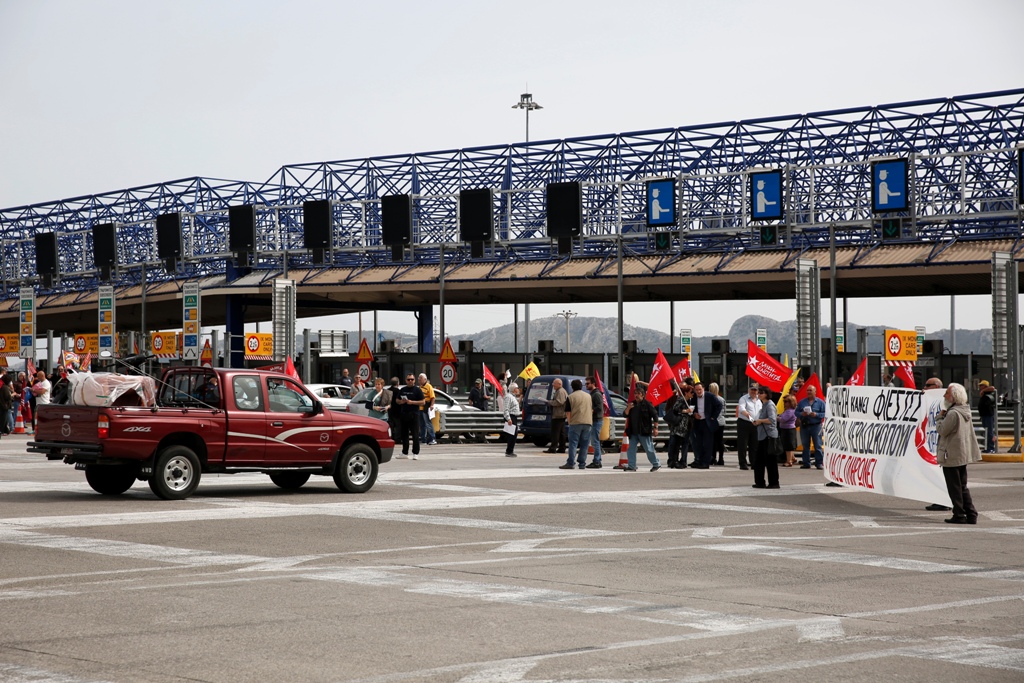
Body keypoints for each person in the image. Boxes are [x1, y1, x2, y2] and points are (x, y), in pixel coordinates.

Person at [935, 383, 981, 524]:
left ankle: (959, 515)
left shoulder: (953, 413)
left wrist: (939, 418)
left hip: (952, 455)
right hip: (961, 454)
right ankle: (971, 513)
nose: (944, 395)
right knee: (962, 486)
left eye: (947, 393)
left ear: (954, 397)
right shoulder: (965, 410)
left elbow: (942, 430)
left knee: (954, 487)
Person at [622, 384, 660, 472]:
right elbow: (625, 415)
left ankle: (656, 464)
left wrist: (655, 428)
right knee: (631, 449)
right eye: (635, 393)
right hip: (633, 432)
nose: (636, 395)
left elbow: (655, 416)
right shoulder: (632, 404)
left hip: (644, 431)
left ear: (643, 395)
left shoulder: (647, 404)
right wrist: (628, 408)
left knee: (649, 449)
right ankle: (632, 466)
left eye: (638, 393)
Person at [560, 379, 593, 470]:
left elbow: (568, 412)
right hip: (588, 422)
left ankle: (571, 463)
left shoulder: (570, 397)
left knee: (573, 444)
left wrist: (570, 423)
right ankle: (582, 463)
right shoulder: (588, 396)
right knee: (584, 444)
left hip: (576, 422)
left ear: (572, 387)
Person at [751, 387, 780, 489]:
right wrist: (757, 421)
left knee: (770, 461)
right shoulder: (764, 405)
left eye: (761, 393)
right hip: (762, 436)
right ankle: (760, 482)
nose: (759, 394)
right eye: (759, 393)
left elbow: (772, 420)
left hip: (769, 436)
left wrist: (760, 421)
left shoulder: (770, 405)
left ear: (767, 394)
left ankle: (774, 483)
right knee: (759, 461)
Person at [689, 381, 721, 469]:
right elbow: (692, 407)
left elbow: (719, 405)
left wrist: (713, 417)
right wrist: (694, 414)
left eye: (700, 389)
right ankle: (700, 460)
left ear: (703, 389)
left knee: (707, 443)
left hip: (707, 422)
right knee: (699, 443)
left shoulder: (710, 396)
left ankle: (706, 463)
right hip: (698, 422)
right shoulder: (694, 397)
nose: (698, 391)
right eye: (696, 390)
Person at [395, 374, 425, 459]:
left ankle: (415, 453)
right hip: (404, 414)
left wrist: (412, 402)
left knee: (415, 434)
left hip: (414, 414)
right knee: (404, 434)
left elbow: (423, 402)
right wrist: (402, 401)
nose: (410, 381)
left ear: (414, 380)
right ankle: (405, 452)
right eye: (408, 379)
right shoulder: (403, 389)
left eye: (412, 379)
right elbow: (397, 400)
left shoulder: (417, 390)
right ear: (406, 380)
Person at [797, 385, 826, 470]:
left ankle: (819, 463)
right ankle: (806, 463)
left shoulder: (820, 402)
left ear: (815, 392)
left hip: (816, 426)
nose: (809, 392)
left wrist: (816, 414)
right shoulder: (802, 402)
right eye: (807, 390)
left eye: (810, 390)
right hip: (805, 426)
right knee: (805, 446)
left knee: (818, 446)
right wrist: (801, 414)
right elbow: (796, 412)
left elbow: (826, 413)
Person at [664, 389, 693, 469]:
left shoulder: (691, 400)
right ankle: (673, 460)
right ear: (686, 393)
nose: (693, 394)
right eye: (691, 392)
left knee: (683, 444)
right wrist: (685, 411)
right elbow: (675, 409)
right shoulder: (681, 399)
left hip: (686, 425)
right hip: (678, 425)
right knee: (675, 444)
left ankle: (682, 461)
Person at [735, 384, 761, 470]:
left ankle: (754, 462)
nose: (753, 391)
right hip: (744, 423)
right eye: (752, 389)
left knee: (754, 444)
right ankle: (742, 463)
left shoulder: (759, 400)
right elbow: (742, 409)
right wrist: (750, 418)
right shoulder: (744, 398)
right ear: (749, 390)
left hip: (756, 424)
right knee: (743, 444)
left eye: (755, 390)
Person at [543, 378, 568, 454]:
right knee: (561, 433)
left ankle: (553, 448)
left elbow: (559, 402)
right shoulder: (561, 391)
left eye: (554, 383)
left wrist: (549, 402)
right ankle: (562, 448)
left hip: (558, 415)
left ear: (559, 384)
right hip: (560, 414)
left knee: (555, 432)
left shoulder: (560, 391)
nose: (553, 385)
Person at [584, 376, 604, 468]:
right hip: (593, 420)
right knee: (594, 441)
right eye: (586, 384)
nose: (586, 385)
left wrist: (591, 410)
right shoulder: (593, 393)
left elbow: (600, 407)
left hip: (596, 420)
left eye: (588, 383)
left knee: (595, 441)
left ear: (593, 384)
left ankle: (597, 461)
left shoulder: (596, 394)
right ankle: (597, 460)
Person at [708, 382, 727, 466]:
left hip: (713, 422)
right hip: (721, 422)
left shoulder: (709, 399)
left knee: (712, 441)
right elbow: (724, 411)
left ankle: (713, 458)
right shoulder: (722, 399)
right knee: (719, 441)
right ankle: (721, 458)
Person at [977, 380, 998, 454]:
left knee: (990, 432)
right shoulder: (984, 394)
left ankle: (991, 448)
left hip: (988, 416)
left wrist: (983, 391)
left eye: (981, 385)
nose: (980, 387)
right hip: (984, 415)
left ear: (985, 386)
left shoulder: (989, 392)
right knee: (986, 432)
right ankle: (987, 447)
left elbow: (992, 387)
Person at [778, 395, 798, 467]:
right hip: (787, 429)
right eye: (784, 401)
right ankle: (792, 458)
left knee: (788, 446)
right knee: (789, 445)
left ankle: (789, 461)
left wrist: (776, 417)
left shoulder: (790, 411)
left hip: (788, 429)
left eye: (786, 401)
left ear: (791, 402)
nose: (784, 403)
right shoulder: (787, 410)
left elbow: (783, 419)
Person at [502, 383, 521, 457]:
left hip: (514, 417)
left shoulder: (513, 397)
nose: (518, 389)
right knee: (511, 435)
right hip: (511, 417)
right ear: (513, 389)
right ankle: (509, 451)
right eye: (517, 388)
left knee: (514, 435)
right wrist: (508, 419)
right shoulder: (508, 397)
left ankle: (510, 450)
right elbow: (506, 409)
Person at [418, 373, 437, 445]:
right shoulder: (419, 387)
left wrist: (431, 405)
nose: (419, 380)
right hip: (419, 408)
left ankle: (432, 438)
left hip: (426, 407)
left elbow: (433, 397)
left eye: (421, 379)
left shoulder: (429, 386)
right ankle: (423, 439)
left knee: (428, 424)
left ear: (425, 379)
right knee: (422, 425)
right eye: (419, 379)